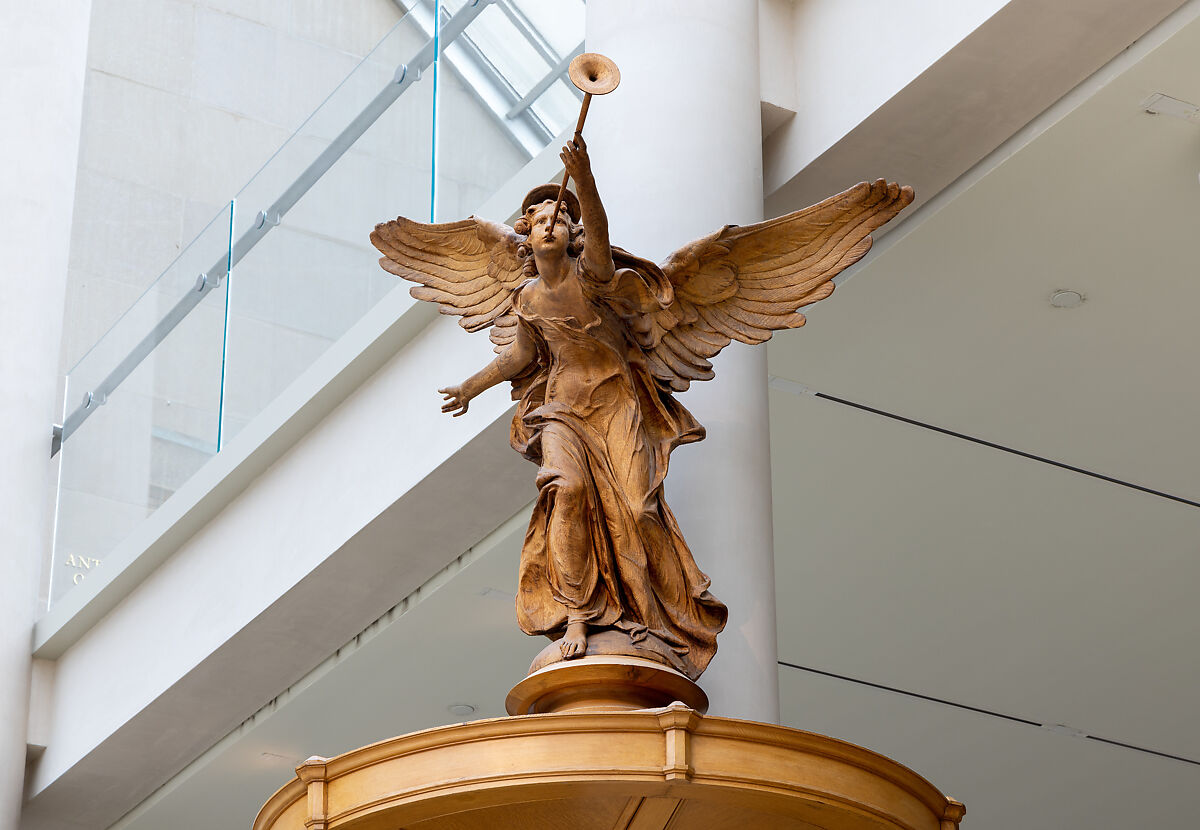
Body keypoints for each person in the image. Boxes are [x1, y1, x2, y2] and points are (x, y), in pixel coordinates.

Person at [436, 138, 728, 679]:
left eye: (559, 218)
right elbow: (520, 356)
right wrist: (469, 387)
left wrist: (584, 177)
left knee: (638, 510)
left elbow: (600, 228)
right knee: (566, 494)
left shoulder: (593, 277)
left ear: (571, 235)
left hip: (617, 403)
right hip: (564, 407)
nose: (549, 224)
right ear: (527, 235)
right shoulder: (525, 299)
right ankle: (576, 615)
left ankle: (650, 617)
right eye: (539, 219)